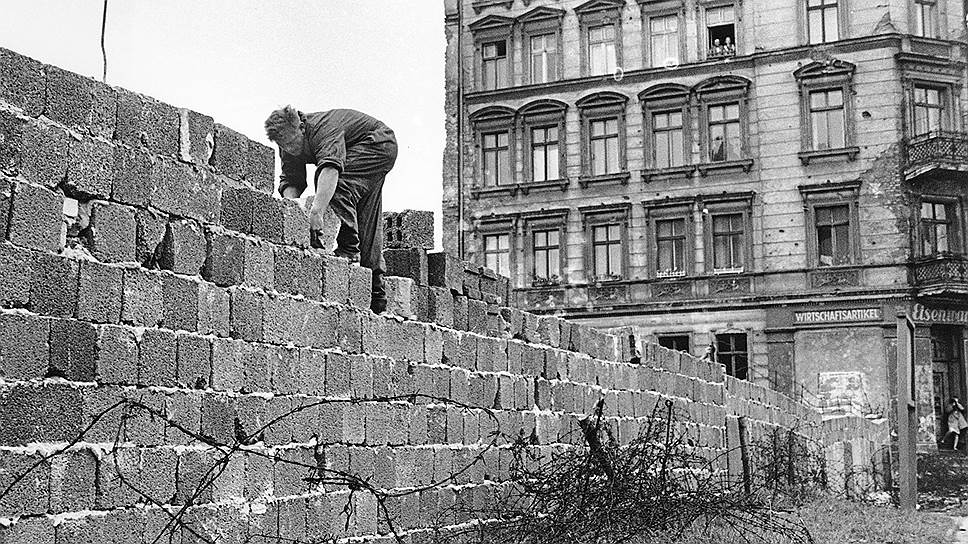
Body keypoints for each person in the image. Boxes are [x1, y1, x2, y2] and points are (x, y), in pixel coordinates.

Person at [264, 105, 398, 314]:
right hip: (364, 150)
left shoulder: (322, 128)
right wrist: (292, 212)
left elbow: (330, 169)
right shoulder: (287, 141)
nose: (290, 149)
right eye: (284, 146)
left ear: (301, 128)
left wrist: (316, 213)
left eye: (292, 143)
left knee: (336, 184)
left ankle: (348, 250)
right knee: (366, 217)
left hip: (379, 143)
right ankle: (376, 296)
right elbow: (292, 180)